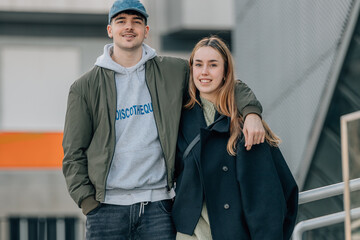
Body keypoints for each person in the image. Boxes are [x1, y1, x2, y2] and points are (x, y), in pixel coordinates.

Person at [62, 0, 265, 239]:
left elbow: (220, 80)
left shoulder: (172, 72)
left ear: (146, 31)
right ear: (110, 30)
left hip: (158, 208)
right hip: (106, 210)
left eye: (136, 22)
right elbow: (73, 152)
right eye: (121, 22)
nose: (129, 27)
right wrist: (87, 202)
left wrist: (251, 112)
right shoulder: (84, 87)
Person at [172, 36, 298, 240]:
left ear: (225, 72)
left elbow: (264, 196)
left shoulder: (245, 124)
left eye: (213, 65)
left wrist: (251, 114)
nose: (204, 72)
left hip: (232, 232)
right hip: (189, 233)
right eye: (198, 64)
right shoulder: (179, 115)